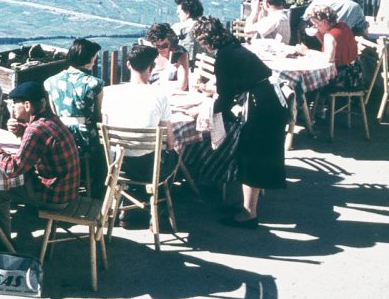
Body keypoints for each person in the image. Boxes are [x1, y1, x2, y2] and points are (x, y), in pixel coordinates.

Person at [193, 16, 287, 229]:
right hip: (269, 99)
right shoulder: (233, 47)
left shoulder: (224, 57)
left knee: (250, 156)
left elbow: (224, 98)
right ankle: (246, 207)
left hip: (260, 106)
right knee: (252, 156)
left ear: (206, 41)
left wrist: (216, 126)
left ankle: (249, 214)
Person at [0, 81, 80, 237]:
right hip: (67, 190)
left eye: (14, 104)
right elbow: (42, 142)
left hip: (54, 198)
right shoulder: (51, 119)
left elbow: (12, 169)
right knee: (7, 178)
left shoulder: (36, 129)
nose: (11, 108)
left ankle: (0, 239)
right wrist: (21, 130)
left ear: (27, 106)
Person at [100, 46, 177, 225]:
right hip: (147, 167)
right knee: (172, 155)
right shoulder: (159, 95)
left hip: (116, 164)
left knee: (134, 155)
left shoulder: (109, 92)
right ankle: (157, 213)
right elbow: (171, 142)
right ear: (152, 67)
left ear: (128, 65)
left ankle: (128, 210)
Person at [44, 38, 104, 152]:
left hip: (60, 134)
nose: (95, 62)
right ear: (89, 59)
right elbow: (98, 115)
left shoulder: (50, 82)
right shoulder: (95, 84)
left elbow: (54, 112)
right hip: (85, 136)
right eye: (94, 58)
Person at [306, 5, 362, 96]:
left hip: (343, 79)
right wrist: (318, 34)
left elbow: (328, 58)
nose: (314, 26)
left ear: (324, 22)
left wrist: (307, 52)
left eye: (315, 23)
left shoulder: (330, 36)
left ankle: (310, 106)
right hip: (356, 74)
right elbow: (335, 46)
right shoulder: (343, 26)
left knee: (308, 79)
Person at [144, 23, 190, 91]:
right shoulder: (151, 53)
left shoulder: (180, 54)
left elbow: (182, 85)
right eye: (157, 46)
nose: (160, 49)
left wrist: (157, 85)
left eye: (164, 46)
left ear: (171, 41)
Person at [173, 0, 205, 66]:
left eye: (179, 13)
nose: (177, 14)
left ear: (187, 13)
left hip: (188, 69)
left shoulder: (179, 28)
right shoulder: (206, 27)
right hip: (204, 69)